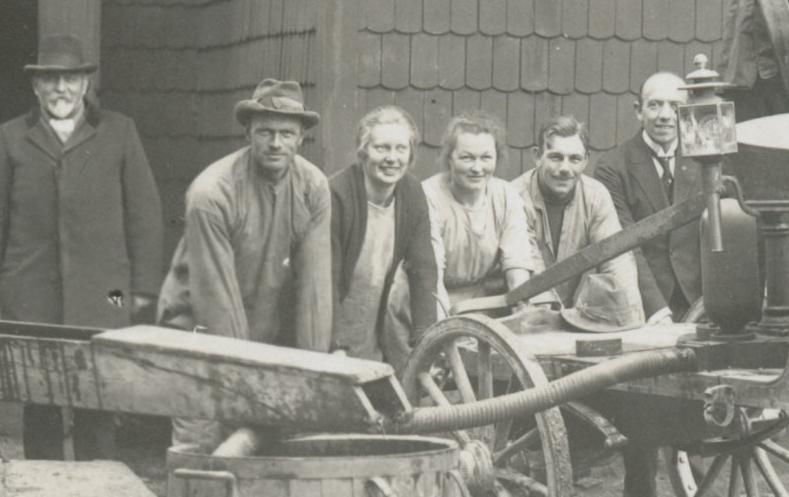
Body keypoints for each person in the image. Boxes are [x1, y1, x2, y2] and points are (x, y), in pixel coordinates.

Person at [0, 35, 165, 461]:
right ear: (36, 88)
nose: (60, 89)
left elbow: (144, 215)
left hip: (106, 293)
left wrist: (143, 287)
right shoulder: (10, 138)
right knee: (40, 402)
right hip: (31, 292)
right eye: (50, 80)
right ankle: (45, 496)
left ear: (85, 85)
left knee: (98, 398)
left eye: (70, 79)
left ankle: (99, 495)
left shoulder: (119, 132)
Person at [158, 79, 333, 455]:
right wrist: (248, 388)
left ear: (302, 138)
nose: (275, 143)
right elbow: (216, 300)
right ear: (248, 133)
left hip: (259, 335)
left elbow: (314, 294)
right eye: (265, 132)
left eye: (286, 133)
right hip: (198, 333)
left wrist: (313, 380)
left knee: (274, 449)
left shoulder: (313, 188)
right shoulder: (213, 193)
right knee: (202, 448)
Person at [593, 71, 703, 497]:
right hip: (643, 299)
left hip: (700, 298)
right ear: (638, 111)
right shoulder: (613, 166)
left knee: (706, 398)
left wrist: (713, 301)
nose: (664, 116)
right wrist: (655, 308)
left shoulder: (706, 159)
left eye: (675, 107)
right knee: (638, 397)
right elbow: (624, 242)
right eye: (655, 105)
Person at [329, 106, 441, 367]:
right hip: (328, 324)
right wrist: (333, 345)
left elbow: (423, 269)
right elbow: (326, 277)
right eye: (382, 148)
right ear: (363, 151)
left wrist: (426, 340)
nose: (392, 158)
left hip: (370, 327)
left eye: (401, 149)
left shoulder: (411, 192)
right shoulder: (337, 194)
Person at [513, 117, 644, 330]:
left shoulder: (596, 196)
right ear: (537, 156)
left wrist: (631, 324)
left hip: (578, 318)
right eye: (555, 157)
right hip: (529, 316)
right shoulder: (515, 197)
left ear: (586, 160)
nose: (565, 168)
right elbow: (531, 273)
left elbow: (617, 260)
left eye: (574, 159)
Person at [420, 114, 539, 312]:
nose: (477, 168)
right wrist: (446, 332)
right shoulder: (429, 196)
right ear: (450, 158)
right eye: (467, 158)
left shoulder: (506, 195)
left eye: (486, 158)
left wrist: (522, 313)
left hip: (482, 299)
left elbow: (517, 266)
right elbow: (432, 278)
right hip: (432, 299)